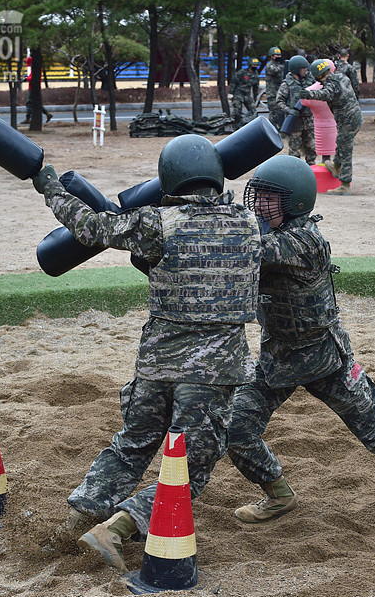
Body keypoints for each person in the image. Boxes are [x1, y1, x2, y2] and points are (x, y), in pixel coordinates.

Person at [34, 134, 262, 571]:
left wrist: (49, 186)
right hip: (212, 373)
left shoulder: (156, 224)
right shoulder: (249, 224)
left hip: (157, 366)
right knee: (189, 471)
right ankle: (116, 529)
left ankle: (70, 527)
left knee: (131, 447)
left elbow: (89, 226)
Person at [228, 154, 375, 524]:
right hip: (277, 357)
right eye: (257, 195)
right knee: (237, 429)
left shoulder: (305, 241)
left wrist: (213, 227)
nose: (259, 204)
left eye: (269, 197)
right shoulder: (268, 233)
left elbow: (251, 249)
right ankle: (278, 494)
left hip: (325, 359)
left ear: (296, 202)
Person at [299, 58, 362, 195]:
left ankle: (345, 184)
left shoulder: (330, 86)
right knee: (341, 143)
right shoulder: (341, 77)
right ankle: (336, 166)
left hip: (347, 121)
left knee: (346, 150)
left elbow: (326, 94)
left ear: (318, 76)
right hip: (356, 118)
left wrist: (308, 94)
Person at [276, 54, 316, 164]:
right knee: (294, 151)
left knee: (312, 148)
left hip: (309, 122)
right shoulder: (287, 84)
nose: (305, 70)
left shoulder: (311, 81)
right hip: (295, 123)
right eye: (303, 68)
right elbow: (279, 101)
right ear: (295, 70)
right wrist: (289, 110)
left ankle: (312, 168)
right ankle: (296, 170)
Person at [21, 56, 52, 125]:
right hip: (32, 87)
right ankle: (47, 113)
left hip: (33, 88)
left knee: (29, 103)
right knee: (35, 103)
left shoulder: (36, 68)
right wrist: (27, 77)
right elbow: (31, 76)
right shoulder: (35, 68)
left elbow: (33, 77)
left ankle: (28, 118)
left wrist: (26, 79)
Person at [230, 58, 260, 129]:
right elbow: (234, 82)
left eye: (256, 65)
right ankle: (233, 126)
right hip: (238, 94)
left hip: (247, 95)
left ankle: (253, 126)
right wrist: (230, 93)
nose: (255, 66)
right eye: (253, 65)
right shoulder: (242, 73)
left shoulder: (256, 75)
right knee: (237, 111)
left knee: (253, 111)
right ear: (250, 65)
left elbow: (256, 87)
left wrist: (255, 97)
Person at [264, 47, 285, 129]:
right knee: (274, 114)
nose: (278, 56)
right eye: (276, 55)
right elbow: (274, 70)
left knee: (280, 113)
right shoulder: (270, 65)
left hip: (279, 93)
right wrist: (285, 66)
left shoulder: (279, 65)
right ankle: (272, 131)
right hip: (272, 94)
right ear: (272, 56)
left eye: (279, 55)